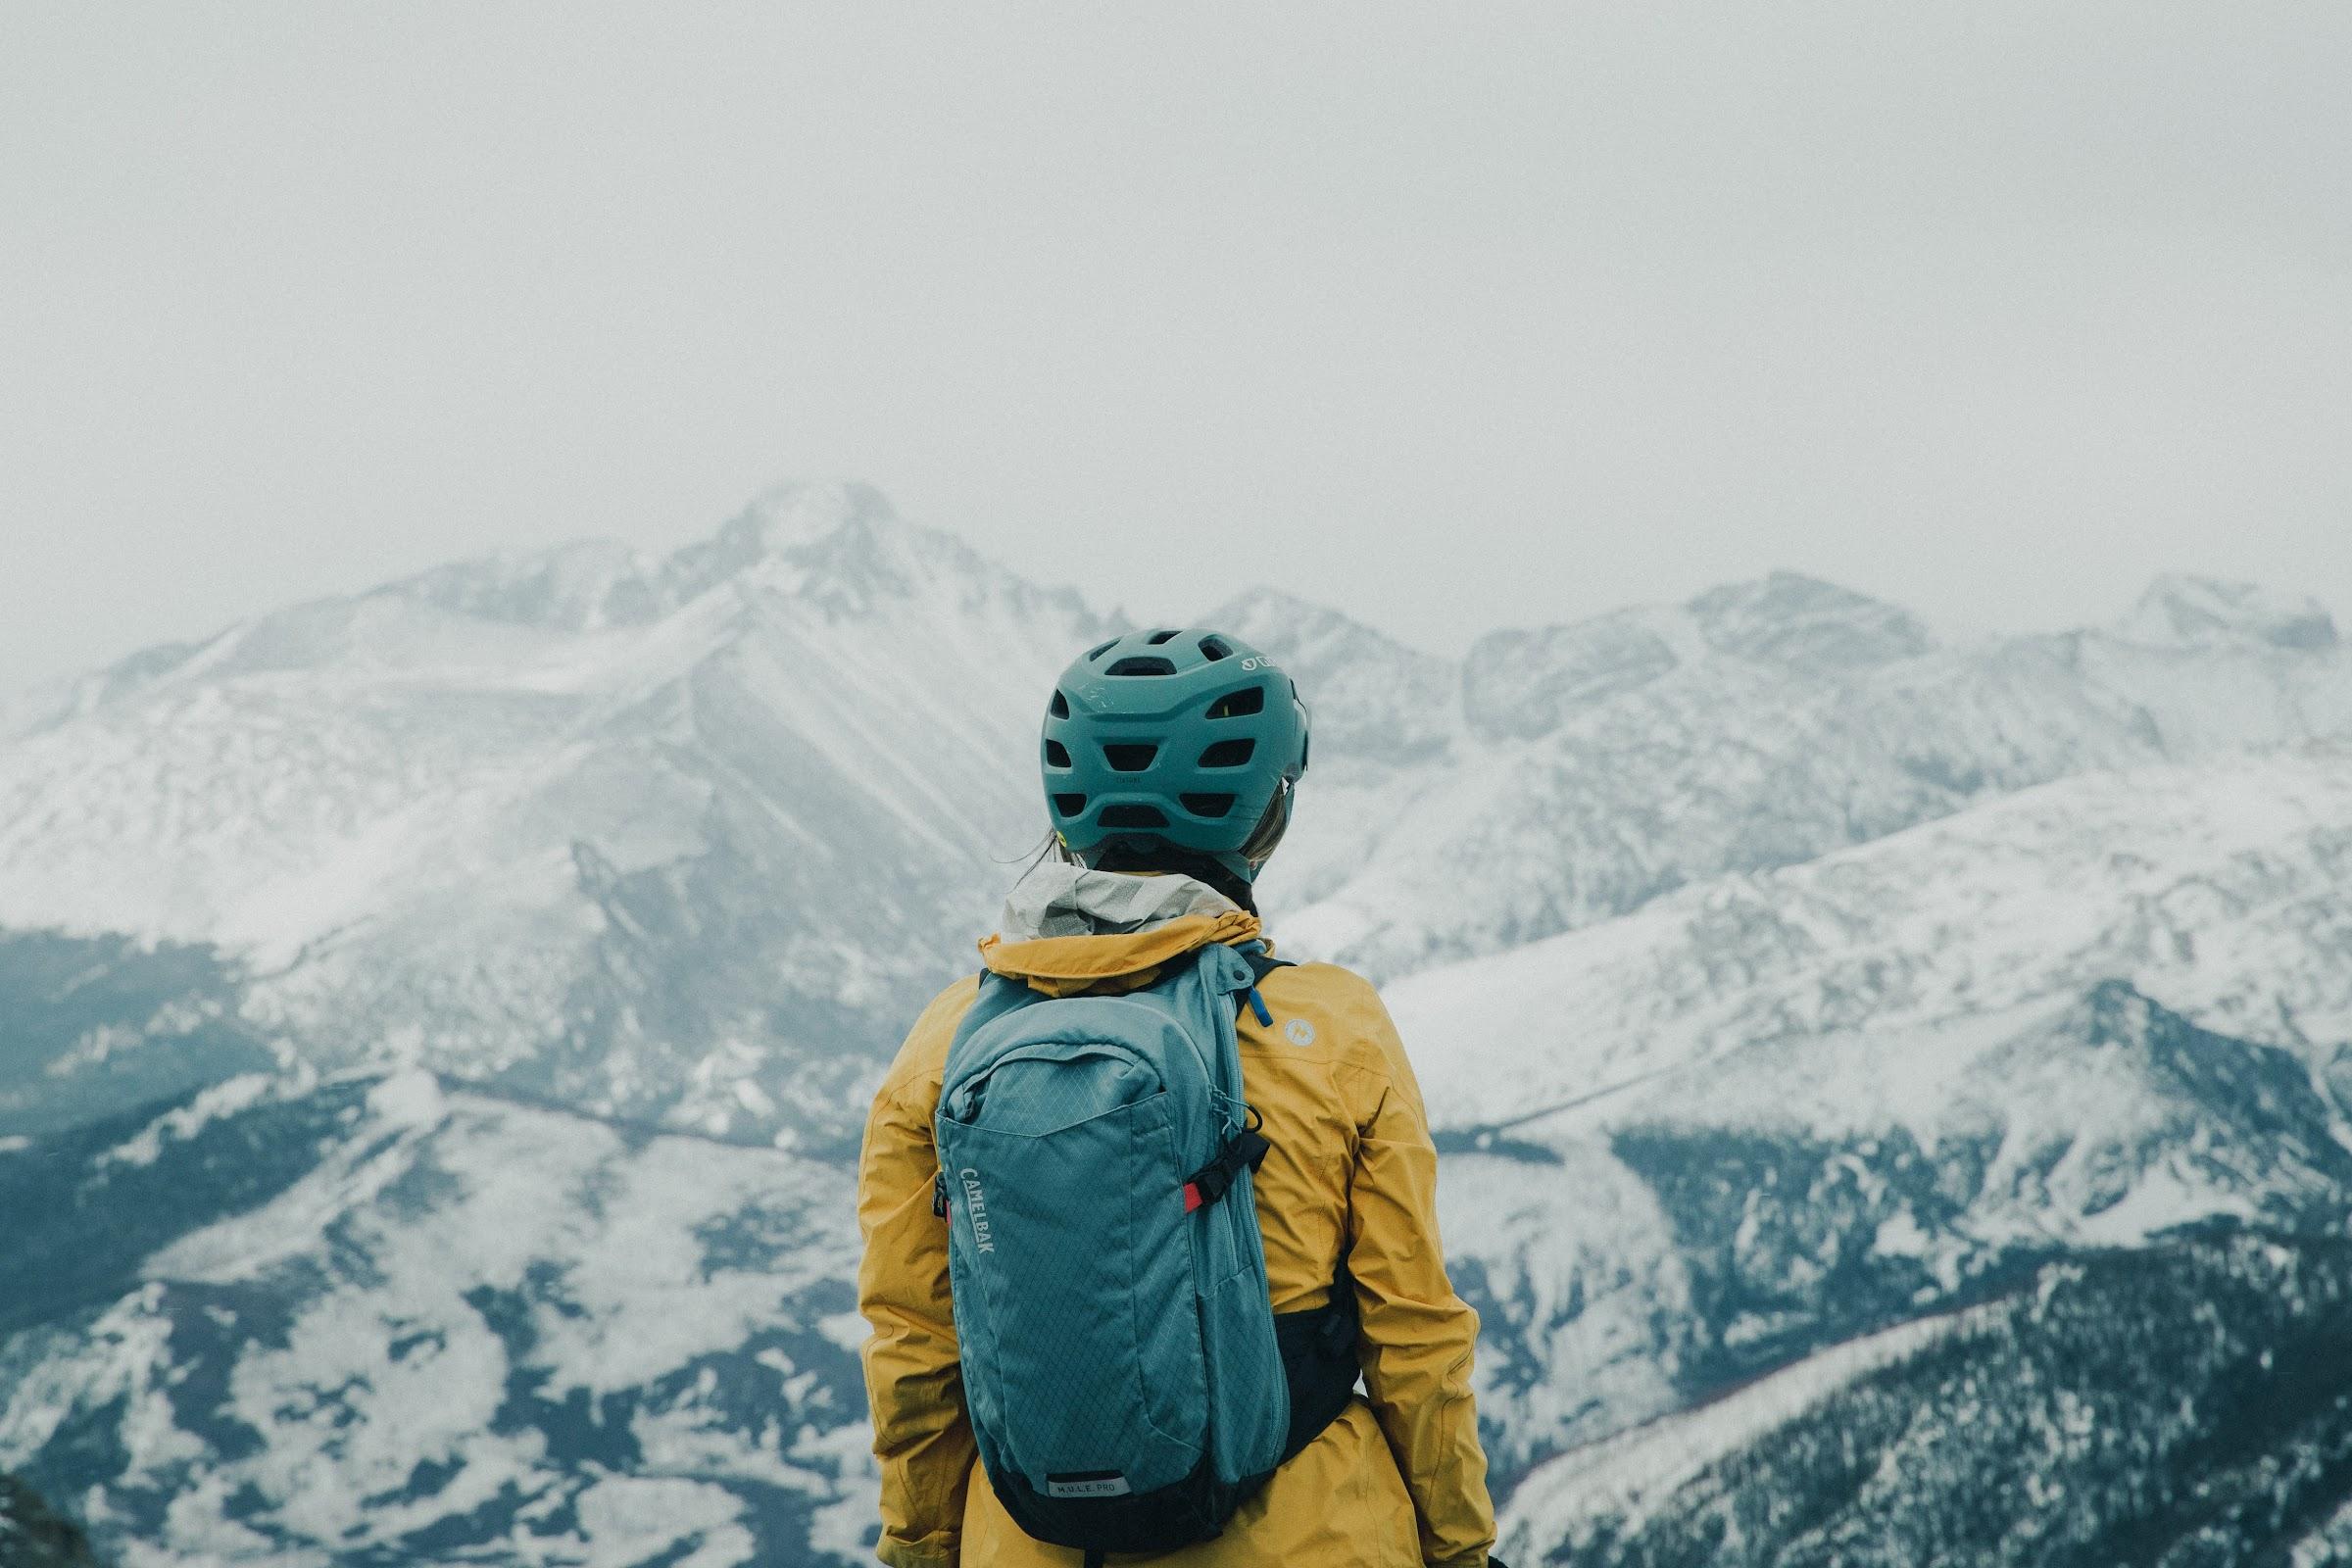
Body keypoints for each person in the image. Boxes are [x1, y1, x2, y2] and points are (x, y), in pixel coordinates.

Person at [857, 627, 1498, 1567]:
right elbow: (1414, 1330)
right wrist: (1461, 1547)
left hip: (1030, 1543)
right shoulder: (1335, 1029)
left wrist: (919, 1547)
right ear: (1263, 817)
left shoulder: (948, 1043)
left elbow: (914, 1344)